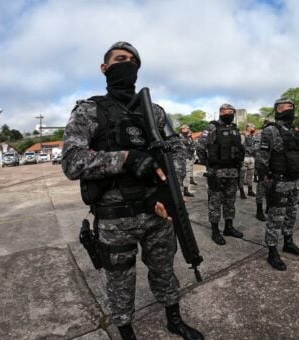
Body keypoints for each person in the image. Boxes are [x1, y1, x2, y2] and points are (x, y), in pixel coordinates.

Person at [61, 42, 203, 340]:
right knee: (120, 281)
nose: (127, 64)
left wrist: (167, 191)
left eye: (133, 61)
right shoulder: (89, 110)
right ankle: (126, 331)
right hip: (115, 219)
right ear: (105, 68)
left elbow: (177, 151)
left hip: (156, 212)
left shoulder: (155, 112)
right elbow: (72, 163)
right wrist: (125, 159)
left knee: (164, 269)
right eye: (120, 59)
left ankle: (174, 320)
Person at [255, 98, 299, 271]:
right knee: (275, 218)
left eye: (292, 107)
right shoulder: (270, 130)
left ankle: (288, 242)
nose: (290, 109)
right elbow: (262, 158)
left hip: (295, 181)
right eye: (286, 107)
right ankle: (272, 251)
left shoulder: (294, 131)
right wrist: (267, 181)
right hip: (279, 182)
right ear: (278, 109)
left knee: (291, 214)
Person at [196, 104, 245, 246]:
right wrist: (209, 165)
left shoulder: (235, 129)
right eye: (227, 112)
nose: (230, 114)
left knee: (230, 201)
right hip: (216, 173)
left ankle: (229, 227)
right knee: (215, 202)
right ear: (220, 112)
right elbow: (200, 147)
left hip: (233, 172)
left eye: (232, 112)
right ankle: (215, 231)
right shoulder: (211, 128)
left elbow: (240, 149)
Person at [240, 123, 257, 199]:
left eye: (254, 127)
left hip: (251, 157)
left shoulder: (253, 136)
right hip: (244, 157)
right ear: (248, 127)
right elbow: (240, 146)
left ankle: (250, 190)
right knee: (242, 176)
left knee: (250, 175)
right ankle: (241, 191)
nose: (253, 128)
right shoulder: (243, 136)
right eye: (252, 127)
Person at [180, 125, 196, 197]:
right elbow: (186, 143)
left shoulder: (188, 137)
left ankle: (186, 190)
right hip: (183, 158)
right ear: (182, 129)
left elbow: (193, 144)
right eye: (187, 129)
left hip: (189, 157)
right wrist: (189, 137)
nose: (188, 130)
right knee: (185, 174)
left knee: (188, 173)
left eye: (188, 129)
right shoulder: (180, 137)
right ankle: (184, 191)